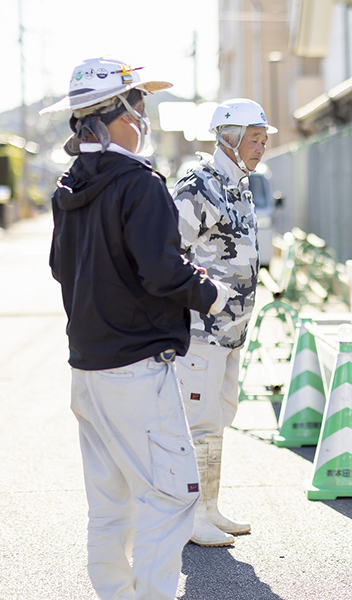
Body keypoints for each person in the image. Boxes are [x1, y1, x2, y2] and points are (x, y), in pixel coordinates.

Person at [43, 57, 232, 599]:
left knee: (111, 503)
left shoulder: (69, 185)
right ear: (117, 115)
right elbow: (163, 272)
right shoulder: (140, 184)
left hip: (88, 368)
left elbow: (59, 267)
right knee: (171, 495)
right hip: (136, 370)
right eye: (140, 105)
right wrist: (212, 292)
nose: (145, 117)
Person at [172, 98, 276, 546]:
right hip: (201, 330)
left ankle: (209, 508)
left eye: (264, 140)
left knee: (216, 421)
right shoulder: (199, 185)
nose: (261, 147)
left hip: (232, 331)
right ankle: (190, 515)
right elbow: (168, 252)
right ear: (228, 138)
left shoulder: (240, 186)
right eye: (254, 139)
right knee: (196, 424)